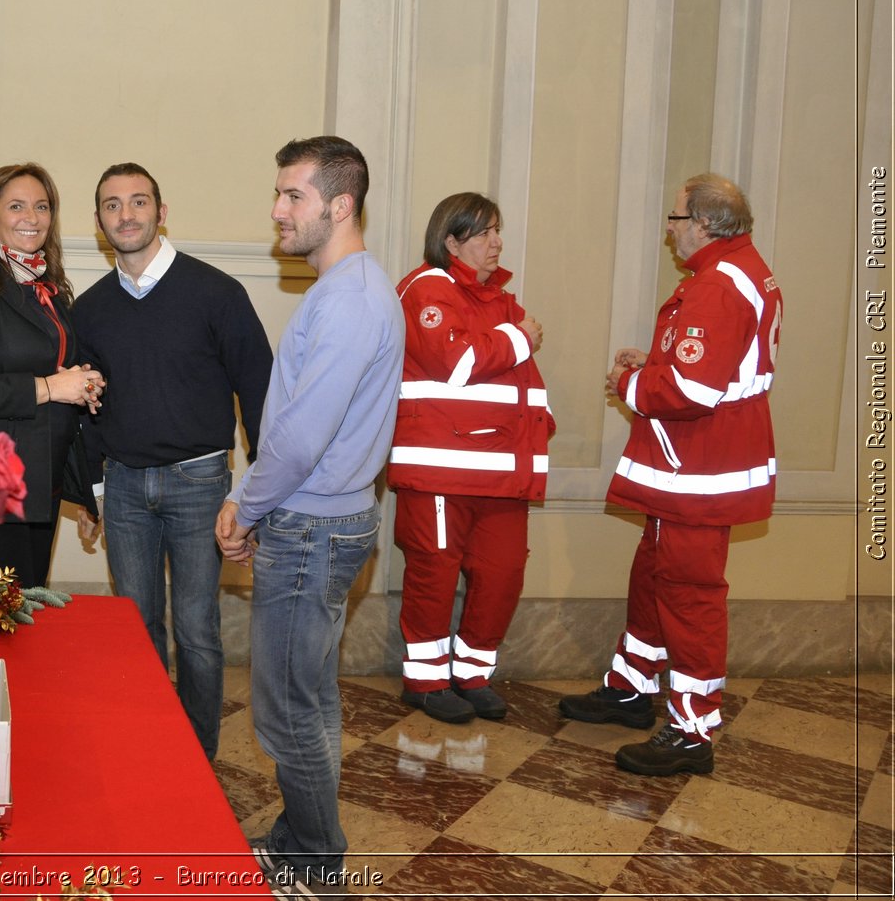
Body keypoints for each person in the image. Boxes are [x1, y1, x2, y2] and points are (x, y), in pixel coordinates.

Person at [214, 136, 404, 892]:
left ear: (340, 204)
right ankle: (301, 838)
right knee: (308, 696)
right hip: (323, 518)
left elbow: (297, 437)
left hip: (312, 524)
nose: (278, 209)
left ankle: (316, 860)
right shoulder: (342, 288)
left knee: (286, 710)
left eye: (294, 196)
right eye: (280, 194)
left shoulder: (352, 300)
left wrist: (244, 501)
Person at [559, 173, 782, 776]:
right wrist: (652, 361)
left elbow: (691, 387)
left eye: (676, 218)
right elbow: (707, 365)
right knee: (654, 576)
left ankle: (691, 729)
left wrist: (630, 382)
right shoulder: (733, 272)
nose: (670, 229)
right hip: (692, 466)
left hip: (699, 470)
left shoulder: (717, 286)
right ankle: (632, 688)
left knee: (689, 598)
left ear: (705, 224)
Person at [72, 162, 273, 761]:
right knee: (135, 630)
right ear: (101, 220)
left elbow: (259, 389)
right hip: (125, 487)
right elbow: (85, 407)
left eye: (138, 202)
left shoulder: (216, 292)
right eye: (112, 205)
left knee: (197, 633)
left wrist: (259, 496)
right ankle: (149, 750)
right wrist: (92, 493)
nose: (125, 214)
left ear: (162, 213)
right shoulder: (91, 309)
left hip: (200, 484)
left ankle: (195, 761)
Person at [388, 193, 554, 724]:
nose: (497, 242)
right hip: (442, 466)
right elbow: (456, 361)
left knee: (503, 575)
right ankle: (426, 680)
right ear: (451, 240)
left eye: (498, 230)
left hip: (502, 471)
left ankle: (472, 673)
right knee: (434, 574)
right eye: (484, 233)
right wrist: (519, 337)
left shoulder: (497, 298)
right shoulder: (428, 287)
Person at [0, 163, 105, 587]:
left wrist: (81, 382)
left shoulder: (48, 287)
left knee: (30, 618)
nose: (32, 217)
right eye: (16, 206)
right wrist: (50, 387)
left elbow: (56, 373)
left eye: (42, 206)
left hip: (40, 483)